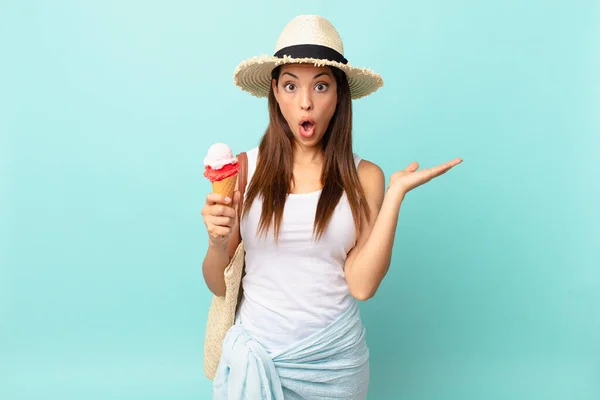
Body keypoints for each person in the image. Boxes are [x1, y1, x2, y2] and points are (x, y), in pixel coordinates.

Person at [201, 14, 462, 399]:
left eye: (320, 86)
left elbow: (362, 285)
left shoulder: (364, 177)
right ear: (275, 90)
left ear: (339, 93)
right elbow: (216, 283)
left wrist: (394, 197)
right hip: (256, 361)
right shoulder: (245, 170)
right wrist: (215, 243)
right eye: (291, 86)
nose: (305, 103)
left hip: (333, 366)